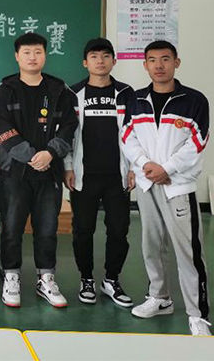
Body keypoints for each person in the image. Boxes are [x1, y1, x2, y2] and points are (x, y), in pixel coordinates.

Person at [121, 40, 212, 336]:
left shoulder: (194, 100)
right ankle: (160, 298)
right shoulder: (136, 99)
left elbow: (197, 142)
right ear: (145, 65)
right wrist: (145, 164)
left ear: (176, 62)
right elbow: (127, 137)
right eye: (152, 60)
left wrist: (167, 168)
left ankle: (198, 315)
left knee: (188, 252)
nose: (158, 65)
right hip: (147, 183)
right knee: (151, 245)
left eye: (165, 59)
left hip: (177, 185)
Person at [0, 32, 77, 308]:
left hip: (49, 171)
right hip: (14, 173)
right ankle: (11, 276)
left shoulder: (58, 90)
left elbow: (69, 126)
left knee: (47, 229)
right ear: (17, 56)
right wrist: (31, 156)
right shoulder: (6, 89)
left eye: (38, 52)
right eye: (27, 52)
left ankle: (46, 279)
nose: (32, 57)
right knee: (11, 229)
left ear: (45, 55)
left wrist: (50, 153)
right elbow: (3, 129)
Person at [65, 38, 135, 307]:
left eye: (106, 56)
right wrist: (68, 167)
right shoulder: (73, 94)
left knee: (118, 230)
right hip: (85, 175)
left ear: (114, 61)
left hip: (118, 175)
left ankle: (111, 279)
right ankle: (86, 279)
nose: (100, 61)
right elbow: (68, 135)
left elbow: (134, 133)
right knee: (83, 230)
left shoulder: (126, 93)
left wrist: (134, 168)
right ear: (85, 62)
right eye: (94, 56)